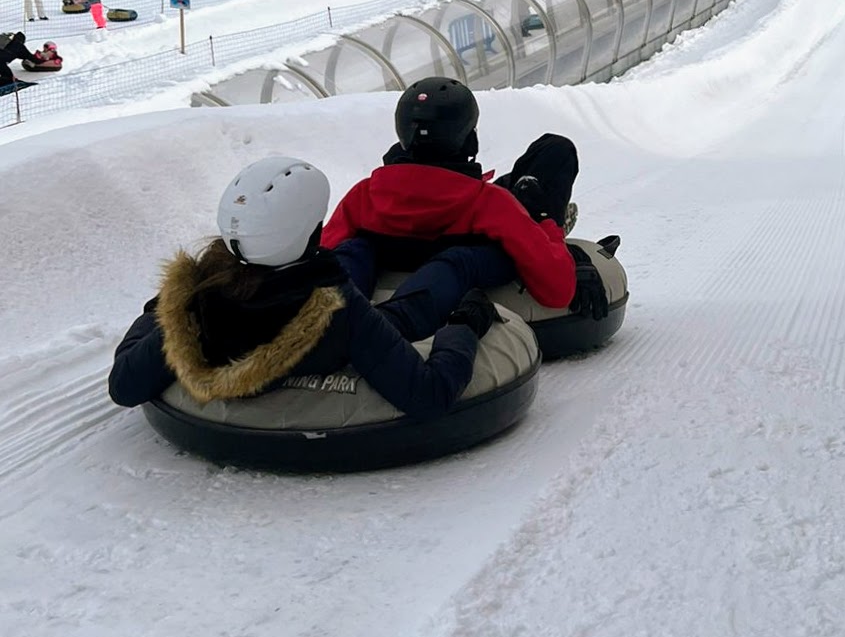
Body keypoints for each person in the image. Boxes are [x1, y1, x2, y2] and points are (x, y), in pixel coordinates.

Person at [107, 156, 514, 421]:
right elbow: (429, 395)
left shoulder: (199, 301)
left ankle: (368, 248)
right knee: (424, 294)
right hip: (346, 338)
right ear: (310, 231)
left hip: (269, 300)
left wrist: (161, 311)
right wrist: (463, 326)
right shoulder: (339, 311)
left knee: (356, 248)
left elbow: (124, 385)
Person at [322, 78, 607, 318]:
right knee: (556, 149)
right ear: (469, 139)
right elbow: (557, 291)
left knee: (515, 181)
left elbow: (323, 253)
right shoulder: (489, 204)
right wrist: (548, 229)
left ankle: (522, 191)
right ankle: (536, 205)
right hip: (481, 222)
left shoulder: (363, 195)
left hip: (416, 225)